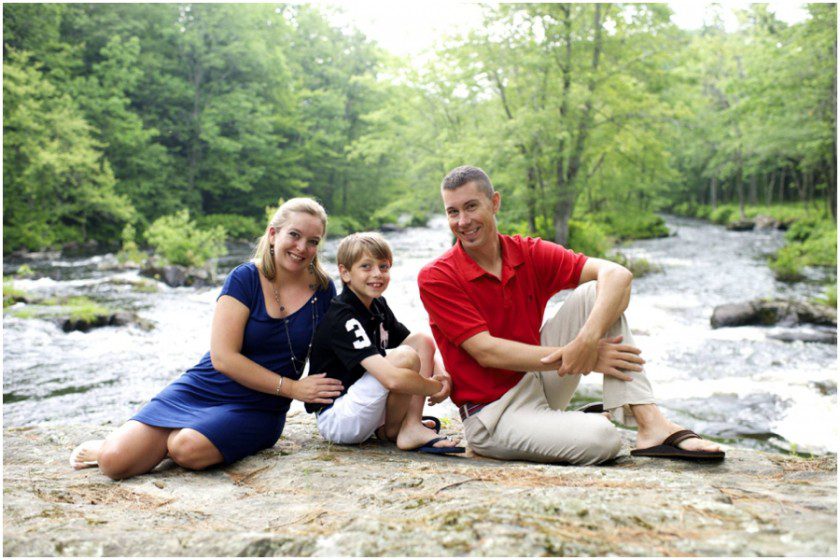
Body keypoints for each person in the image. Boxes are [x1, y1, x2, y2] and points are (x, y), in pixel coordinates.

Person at [418, 165, 725, 465]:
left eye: (471, 206)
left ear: (495, 202)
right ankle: (571, 424)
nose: (463, 221)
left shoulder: (526, 252)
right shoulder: (437, 276)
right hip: (493, 413)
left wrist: (587, 342)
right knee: (604, 438)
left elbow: (618, 275)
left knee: (598, 293)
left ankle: (650, 424)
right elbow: (487, 352)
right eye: (452, 212)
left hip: (537, 380)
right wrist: (579, 357)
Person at [69, 198, 344, 479]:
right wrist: (294, 389)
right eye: (294, 235)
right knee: (113, 463)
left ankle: (169, 441)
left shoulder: (322, 290)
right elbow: (223, 358)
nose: (302, 248)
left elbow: (336, 350)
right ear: (273, 235)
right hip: (205, 387)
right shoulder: (245, 278)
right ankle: (123, 446)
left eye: (313, 241)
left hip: (260, 406)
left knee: (185, 448)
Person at [305, 232, 463, 455]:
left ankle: (406, 426)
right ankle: (405, 428)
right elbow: (393, 379)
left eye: (384, 266)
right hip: (339, 418)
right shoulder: (343, 317)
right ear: (345, 272)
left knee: (422, 340)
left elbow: (418, 344)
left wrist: (442, 374)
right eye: (366, 267)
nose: (377, 274)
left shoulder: (377, 305)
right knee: (405, 357)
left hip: (364, 405)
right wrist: (435, 387)